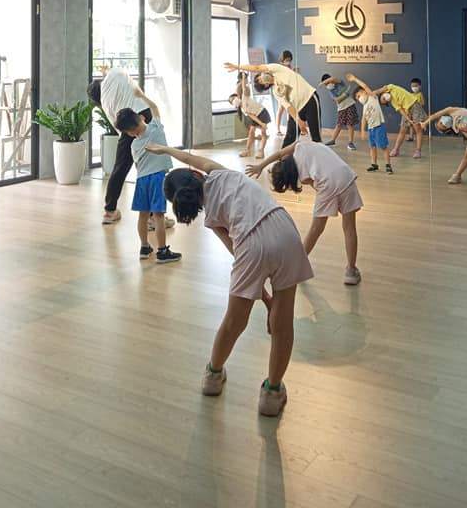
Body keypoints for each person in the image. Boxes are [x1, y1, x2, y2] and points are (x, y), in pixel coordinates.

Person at [146, 143, 313, 417]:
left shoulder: (212, 218)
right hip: (284, 230)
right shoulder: (220, 173)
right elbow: (189, 157)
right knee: (283, 323)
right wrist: (165, 150)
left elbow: (240, 253)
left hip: (249, 244)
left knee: (234, 321)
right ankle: (272, 393)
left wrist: (265, 298)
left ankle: (213, 376)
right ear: (196, 175)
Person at [246, 140, 363, 285]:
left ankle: (296, 265)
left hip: (327, 183)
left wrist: (331, 198)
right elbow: (279, 153)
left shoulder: (303, 176)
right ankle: (351, 271)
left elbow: (322, 186)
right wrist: (261, 166)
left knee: (315, 229)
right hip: (345, 175)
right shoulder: (300, 145)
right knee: (349, 227)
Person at [88, 68, 174, 229]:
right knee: (153, 168)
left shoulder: (105, 103)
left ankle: (110, 211)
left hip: (128, 125)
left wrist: (131, 140)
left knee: (120, 168)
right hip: (143, 115)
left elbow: (119, 127)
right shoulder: (114, 74)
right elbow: (120, 74)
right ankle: (153, 217)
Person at [115, 94, 182, 264]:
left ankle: (144, 247)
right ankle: (162, 251)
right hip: (158, 177)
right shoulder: (156, 128)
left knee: (143, 216)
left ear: (130, 132)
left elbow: (138, 165)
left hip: (141, 180)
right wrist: (140, 95)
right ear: (142, 118)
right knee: (158, 216)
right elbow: (155, 107)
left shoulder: (134, 145)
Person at [225, 59, 321, 148]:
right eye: (261, 81)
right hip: (296, 109)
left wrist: (238, 66)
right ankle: (283, 159)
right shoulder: (276, 92)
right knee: (289, 138)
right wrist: (298, 121)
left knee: (315, 136)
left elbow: (256, 68)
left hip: (309, 98)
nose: (262, 77)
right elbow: (288, 107)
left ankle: (322, 156)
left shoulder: (277, 69)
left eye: (260, 76)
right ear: (266, 85)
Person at [421, 106, 467, 187]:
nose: (442, 122)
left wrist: (425, 123)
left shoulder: (451, 111)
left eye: (440, 122)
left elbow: (435, 115)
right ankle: (457, 175)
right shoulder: (458, 125)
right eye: (442, 125)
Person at [346, 73, 393, 174]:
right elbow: (364, 119)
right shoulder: (365, 106)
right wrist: (363, 131)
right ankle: (374, 164)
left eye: (359, 96)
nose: (359, 99)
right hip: (371, 129)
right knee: (372, 147)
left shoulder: (372, 96)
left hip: (379, 126)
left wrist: (354, 79)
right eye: (357, 99)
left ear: (364, 91)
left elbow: (365, 85)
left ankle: (388, 165)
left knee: (383, 147)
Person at [375, 82, 427, 159]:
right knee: (402, 130)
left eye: (383, 98)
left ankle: (418, 151)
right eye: (385, 101)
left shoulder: (391, 87)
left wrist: (371, 94)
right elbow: (401, 110)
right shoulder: (393, 102)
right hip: (406, 111)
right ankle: (396, 150)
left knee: (418, 129)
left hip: (414, 105)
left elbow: (379, 90)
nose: (386, 99)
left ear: (383, 93)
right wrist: (408, 119)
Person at [229, 72, 270, 159]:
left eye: (234, 99)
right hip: (256, 115)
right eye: (233, 101)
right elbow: (252, 116)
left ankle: (261, 151)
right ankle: (247, 150)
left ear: (237, 97)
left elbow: (244, 87)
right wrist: (261, 124)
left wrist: (244, 77)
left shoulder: (244, 96)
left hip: (262, 112)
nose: (234, 101)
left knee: (263, 133)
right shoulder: (243, 109)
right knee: (251, 132)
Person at [321, 73, 358, 151]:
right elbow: (337, 100)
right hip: (341, 108)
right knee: (339, 125)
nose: (327, 85)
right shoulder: (330, 91)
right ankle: (333, 140)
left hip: (350, 105)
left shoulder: (340, 83)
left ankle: (350, 143)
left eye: (328, 83)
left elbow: (333, 78)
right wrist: (345, 94)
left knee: (350, 124)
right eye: (326, 84)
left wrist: (323, 82)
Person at [274, 50, 294, 135]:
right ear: (283, 59)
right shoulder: (279, 67)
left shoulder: (290, 67)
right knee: (281, 109)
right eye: (287, 60)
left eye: (289, 60)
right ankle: (278, 130)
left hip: (288, 90)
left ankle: (289, 129)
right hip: (281, 91)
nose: (288, 62)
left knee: (289, 110)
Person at [404, 78, 426, 142]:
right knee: (411, 124)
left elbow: (423, 103)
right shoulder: (410, 95)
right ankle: (411, 137)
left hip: (418, 113)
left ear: (419, 86)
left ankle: (418, 137)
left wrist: (418, 105)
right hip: (411, 112)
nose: (414, 87)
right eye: (412, 86)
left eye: (416, 86)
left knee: (417, 125)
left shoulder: (420, 94)